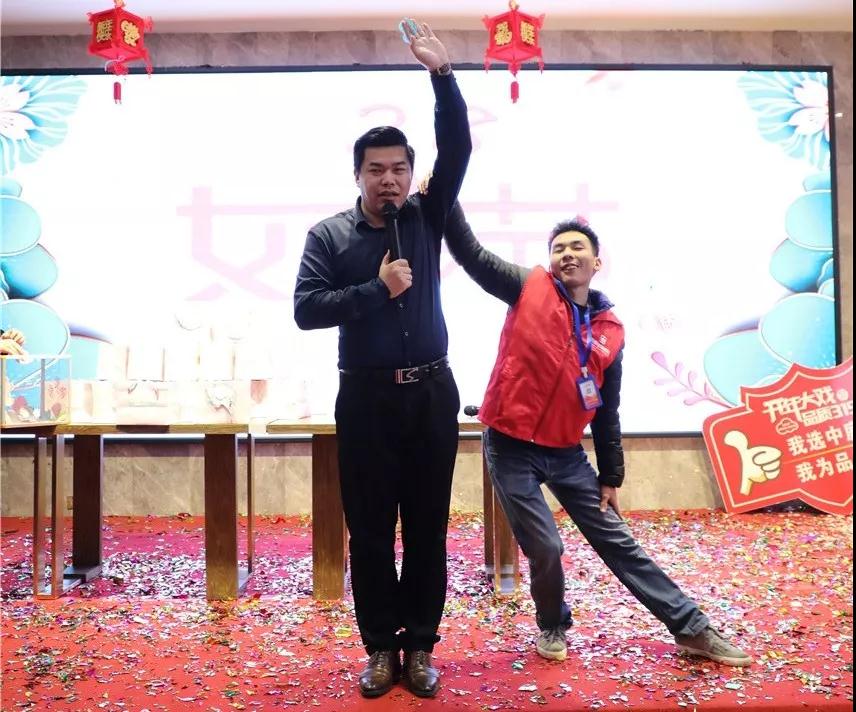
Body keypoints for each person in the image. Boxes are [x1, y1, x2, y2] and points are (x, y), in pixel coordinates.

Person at [441, 202, 753, 667]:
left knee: (619, 541)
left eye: (577, 247)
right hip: (510, 446)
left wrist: (611, 475)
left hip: (567, 454)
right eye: (558, 248)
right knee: (547, 546)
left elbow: (607, 409)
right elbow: (471, 253)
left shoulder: (610, 330)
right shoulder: (528, 287)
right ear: (550, 261)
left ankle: (691, 627)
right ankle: (552, 623)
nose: (567, 254)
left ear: (596, 262)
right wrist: (446, 196)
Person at [293, 19, 471, 699]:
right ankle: (377, 648)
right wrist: (376, 289)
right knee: (369, 532)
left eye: (399, 169)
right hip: (365, 397)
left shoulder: (427, 215)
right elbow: (307, 308)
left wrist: (442, 76)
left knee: (426, 528)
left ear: (410, 174)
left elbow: (458, 146)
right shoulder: (330, 235)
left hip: (431, 393)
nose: (389, 180)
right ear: (358, 175)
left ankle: (419, 647)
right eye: (377, 170)